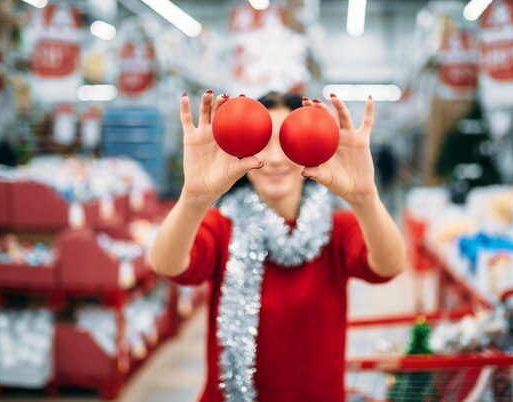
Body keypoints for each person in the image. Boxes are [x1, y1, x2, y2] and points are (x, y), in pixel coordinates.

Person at [151, 90, 406, 402]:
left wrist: (365, 197)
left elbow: (388, 266)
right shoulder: (223, 226)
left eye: (287, 142)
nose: (273, 159)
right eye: (261, 142)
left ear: (313, 144)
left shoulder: (337, 230)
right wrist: (193, 197)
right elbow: (168, 265)